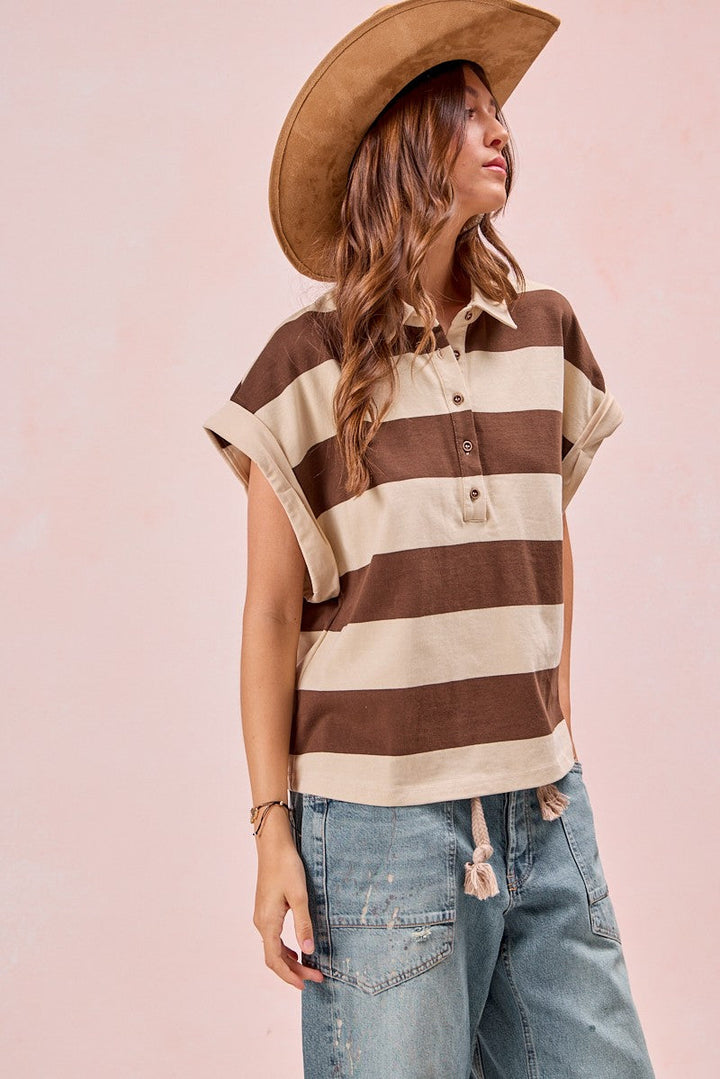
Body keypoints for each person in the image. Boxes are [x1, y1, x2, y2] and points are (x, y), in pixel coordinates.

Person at [202, 2, 657, 1075]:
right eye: (470, 113)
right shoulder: (303, 368)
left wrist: (554, 721)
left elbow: (548, 546)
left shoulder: (544, 337)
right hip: (378, 835)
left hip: (543, 806)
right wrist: (273, 829)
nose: (502, 132)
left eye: (501, 113)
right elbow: (272, 614)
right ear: (406, 143)